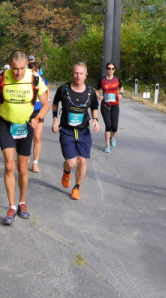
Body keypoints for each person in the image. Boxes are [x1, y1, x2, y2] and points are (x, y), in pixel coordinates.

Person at [0, 50, 50, 225]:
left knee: (22, 169)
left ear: (27, 66)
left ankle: (22, 202)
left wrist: (38, 119)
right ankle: (11, 207)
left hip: (26, 125)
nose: (18, 73)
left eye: (22, 68)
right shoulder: (1, 76)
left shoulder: (35, 78)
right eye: (15, 68)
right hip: (6, 125)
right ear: (10, 65)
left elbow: (45, 104)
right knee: (10, 165)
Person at [51, 62, 100, 200]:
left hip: (83, 131)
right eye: (76, 73)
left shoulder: (90, 92)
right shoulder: (63, 89)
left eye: (81, 73)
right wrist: (55, 120)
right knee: (71, 163)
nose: (78, 76)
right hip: (67, 130)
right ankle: (66, 171)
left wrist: (95, 120)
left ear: (86, 75)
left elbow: (94, 107)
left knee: (82, 161)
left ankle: (76, 188)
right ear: (72, 74)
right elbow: (55, 103)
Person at [96, 62, 123, 153]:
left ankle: (111, 137)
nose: (110, 70)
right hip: (105, 106)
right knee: (108, 126)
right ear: (106, 69)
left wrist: (120, 94)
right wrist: (99, 96)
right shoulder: (102, 80)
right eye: (109, 68)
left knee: (114, 128)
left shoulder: (117, 79)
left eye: (112, 68)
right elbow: (96, 90)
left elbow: (121, 88)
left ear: (114, 70)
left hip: (115, 106)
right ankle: (107, 146)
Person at [29, 61, 49, 173]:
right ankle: (26, 156)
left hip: (37, 112)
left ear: (39, 71)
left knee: (37, 138)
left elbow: (47, 92)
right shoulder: (24, 80)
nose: (34, 71)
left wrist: (47, 102)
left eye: (36, 69)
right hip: (25, 112)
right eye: (31, 69)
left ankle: (35, 163)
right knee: (25, 137)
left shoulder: (42, 81)